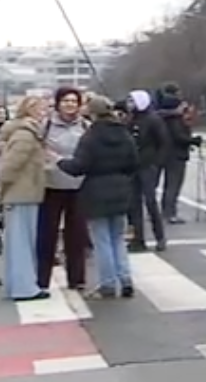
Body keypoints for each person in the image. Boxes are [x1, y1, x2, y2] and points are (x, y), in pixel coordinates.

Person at [56, 95, 140, 299]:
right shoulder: (123, 133)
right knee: (118, 238)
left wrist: (59, 161)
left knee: (101, 240)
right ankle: (126, 279)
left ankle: (108, 284)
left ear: (92, 113)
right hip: (120, 188)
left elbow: (78, 167)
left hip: (96, 190)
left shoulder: (90, 137)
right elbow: (134, 162)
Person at [0, 96, 50, 301]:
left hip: (21, 193)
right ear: (29, 111)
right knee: (23, 243)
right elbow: (9, 167)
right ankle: (25, 287)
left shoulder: (23, 133)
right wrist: (4, 185)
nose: (44, 114)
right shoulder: (26, 135)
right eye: (40, 110)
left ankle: (17, 285)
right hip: (22, 194)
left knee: (18, 243)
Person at [39, 87, 89, 291]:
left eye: (73, 101)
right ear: (58, 103)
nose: (70, 105)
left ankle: (76, 279)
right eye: (66, 101)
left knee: (76, 236)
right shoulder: (46, 125)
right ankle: (41, 279)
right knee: (46, 235)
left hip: (78, 186)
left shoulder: (86, 126)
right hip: (51, 185)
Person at [126, 90, 168, 251]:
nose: (130, 104)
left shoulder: (154, 119)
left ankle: (160, 237)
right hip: (132, 167)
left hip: (148, 166)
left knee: (150, 202)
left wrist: (157, 163)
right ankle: (137, 239)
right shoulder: (131, 119)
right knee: (133, 204)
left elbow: (164, 143)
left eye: (132, 101)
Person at [155, 84, 200, 225]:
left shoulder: (160, 117)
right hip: (176, 155)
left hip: (162, 153)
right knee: (173, 185)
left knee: (166, 185)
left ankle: (164, 211)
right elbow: (178, 137)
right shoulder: (175, 120)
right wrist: (193, 140)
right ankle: (170, 213)